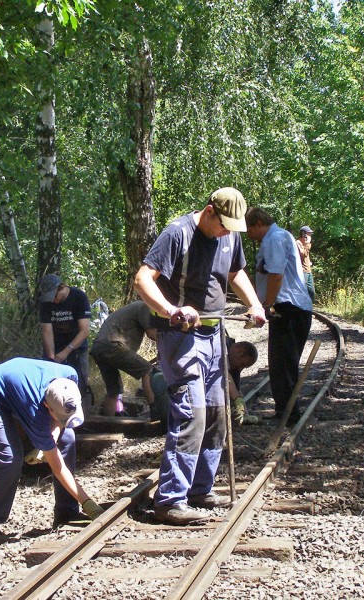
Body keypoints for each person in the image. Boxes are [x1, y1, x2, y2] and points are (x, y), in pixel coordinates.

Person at [133, 187, 266, 525]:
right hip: (180, 336)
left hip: (214, 334)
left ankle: (199, 489)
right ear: (208, 212)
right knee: (192, 414)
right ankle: (170, 500)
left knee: (217, 414)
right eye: (222, 226)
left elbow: (235, 274)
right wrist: (171, 310)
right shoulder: (178, 234)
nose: (226, 233)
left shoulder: (230, 235)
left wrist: (254, 304)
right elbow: (142, 280)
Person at [0, 357, 105, 545]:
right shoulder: (34, 411)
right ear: (47, 406)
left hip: (18, 387)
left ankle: (66, 512)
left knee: (68, 438)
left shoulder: (69, 376)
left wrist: (51, 441)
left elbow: (60, 420)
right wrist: (88, 503)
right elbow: (58, 468)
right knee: (11, 458)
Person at [246, 207, 313, 425]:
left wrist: (265, 306)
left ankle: (288, 415)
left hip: (288, 308)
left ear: (257, 224)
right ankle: (285, 412)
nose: (247, 235)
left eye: (248, 229)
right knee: (281, 364)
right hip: (290, 308)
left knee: (283, 364)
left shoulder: (274, 239)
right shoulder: (279, 236)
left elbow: (276, 276)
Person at [151, 338, 260, 427]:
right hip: (164, 376)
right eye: (242, 364)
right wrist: (237, 399)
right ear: (239, 352)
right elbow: (223, 372)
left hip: (183, 378)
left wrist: (245, 413)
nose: (240, 368)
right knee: (173, 421)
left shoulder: (233, 364)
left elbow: (235, 388)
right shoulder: (220, 345)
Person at [89, 300, 157, 417]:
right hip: (111, 345)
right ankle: (155, 410)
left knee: (113, 390)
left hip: (99, 347)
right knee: (147, 370)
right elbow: (152, 334)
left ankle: (108, 423)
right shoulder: (145, 306)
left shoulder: (137, 307)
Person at [37, 274, 92, 407]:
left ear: (62, 288)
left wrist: (66, 352)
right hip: (55, 345)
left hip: (77, 347)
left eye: (54, 297)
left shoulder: (79, 297)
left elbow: (85, 330)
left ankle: (82, 414)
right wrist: (51, 358)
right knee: (50, 382)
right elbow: (47, 331)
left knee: (80, 381)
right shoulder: (45, 303)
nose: (52, 302)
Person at [296, 225, 315, 302]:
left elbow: (306, 256)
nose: (310, 235)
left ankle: (309, 308)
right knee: (304, 291)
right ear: (304, 234)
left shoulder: (306, 244)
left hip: (308, 270)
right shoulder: (298, 243)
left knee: (311, 292)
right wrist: (307, 244)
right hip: (303, 271)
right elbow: (303, 254)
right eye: (309, 233)